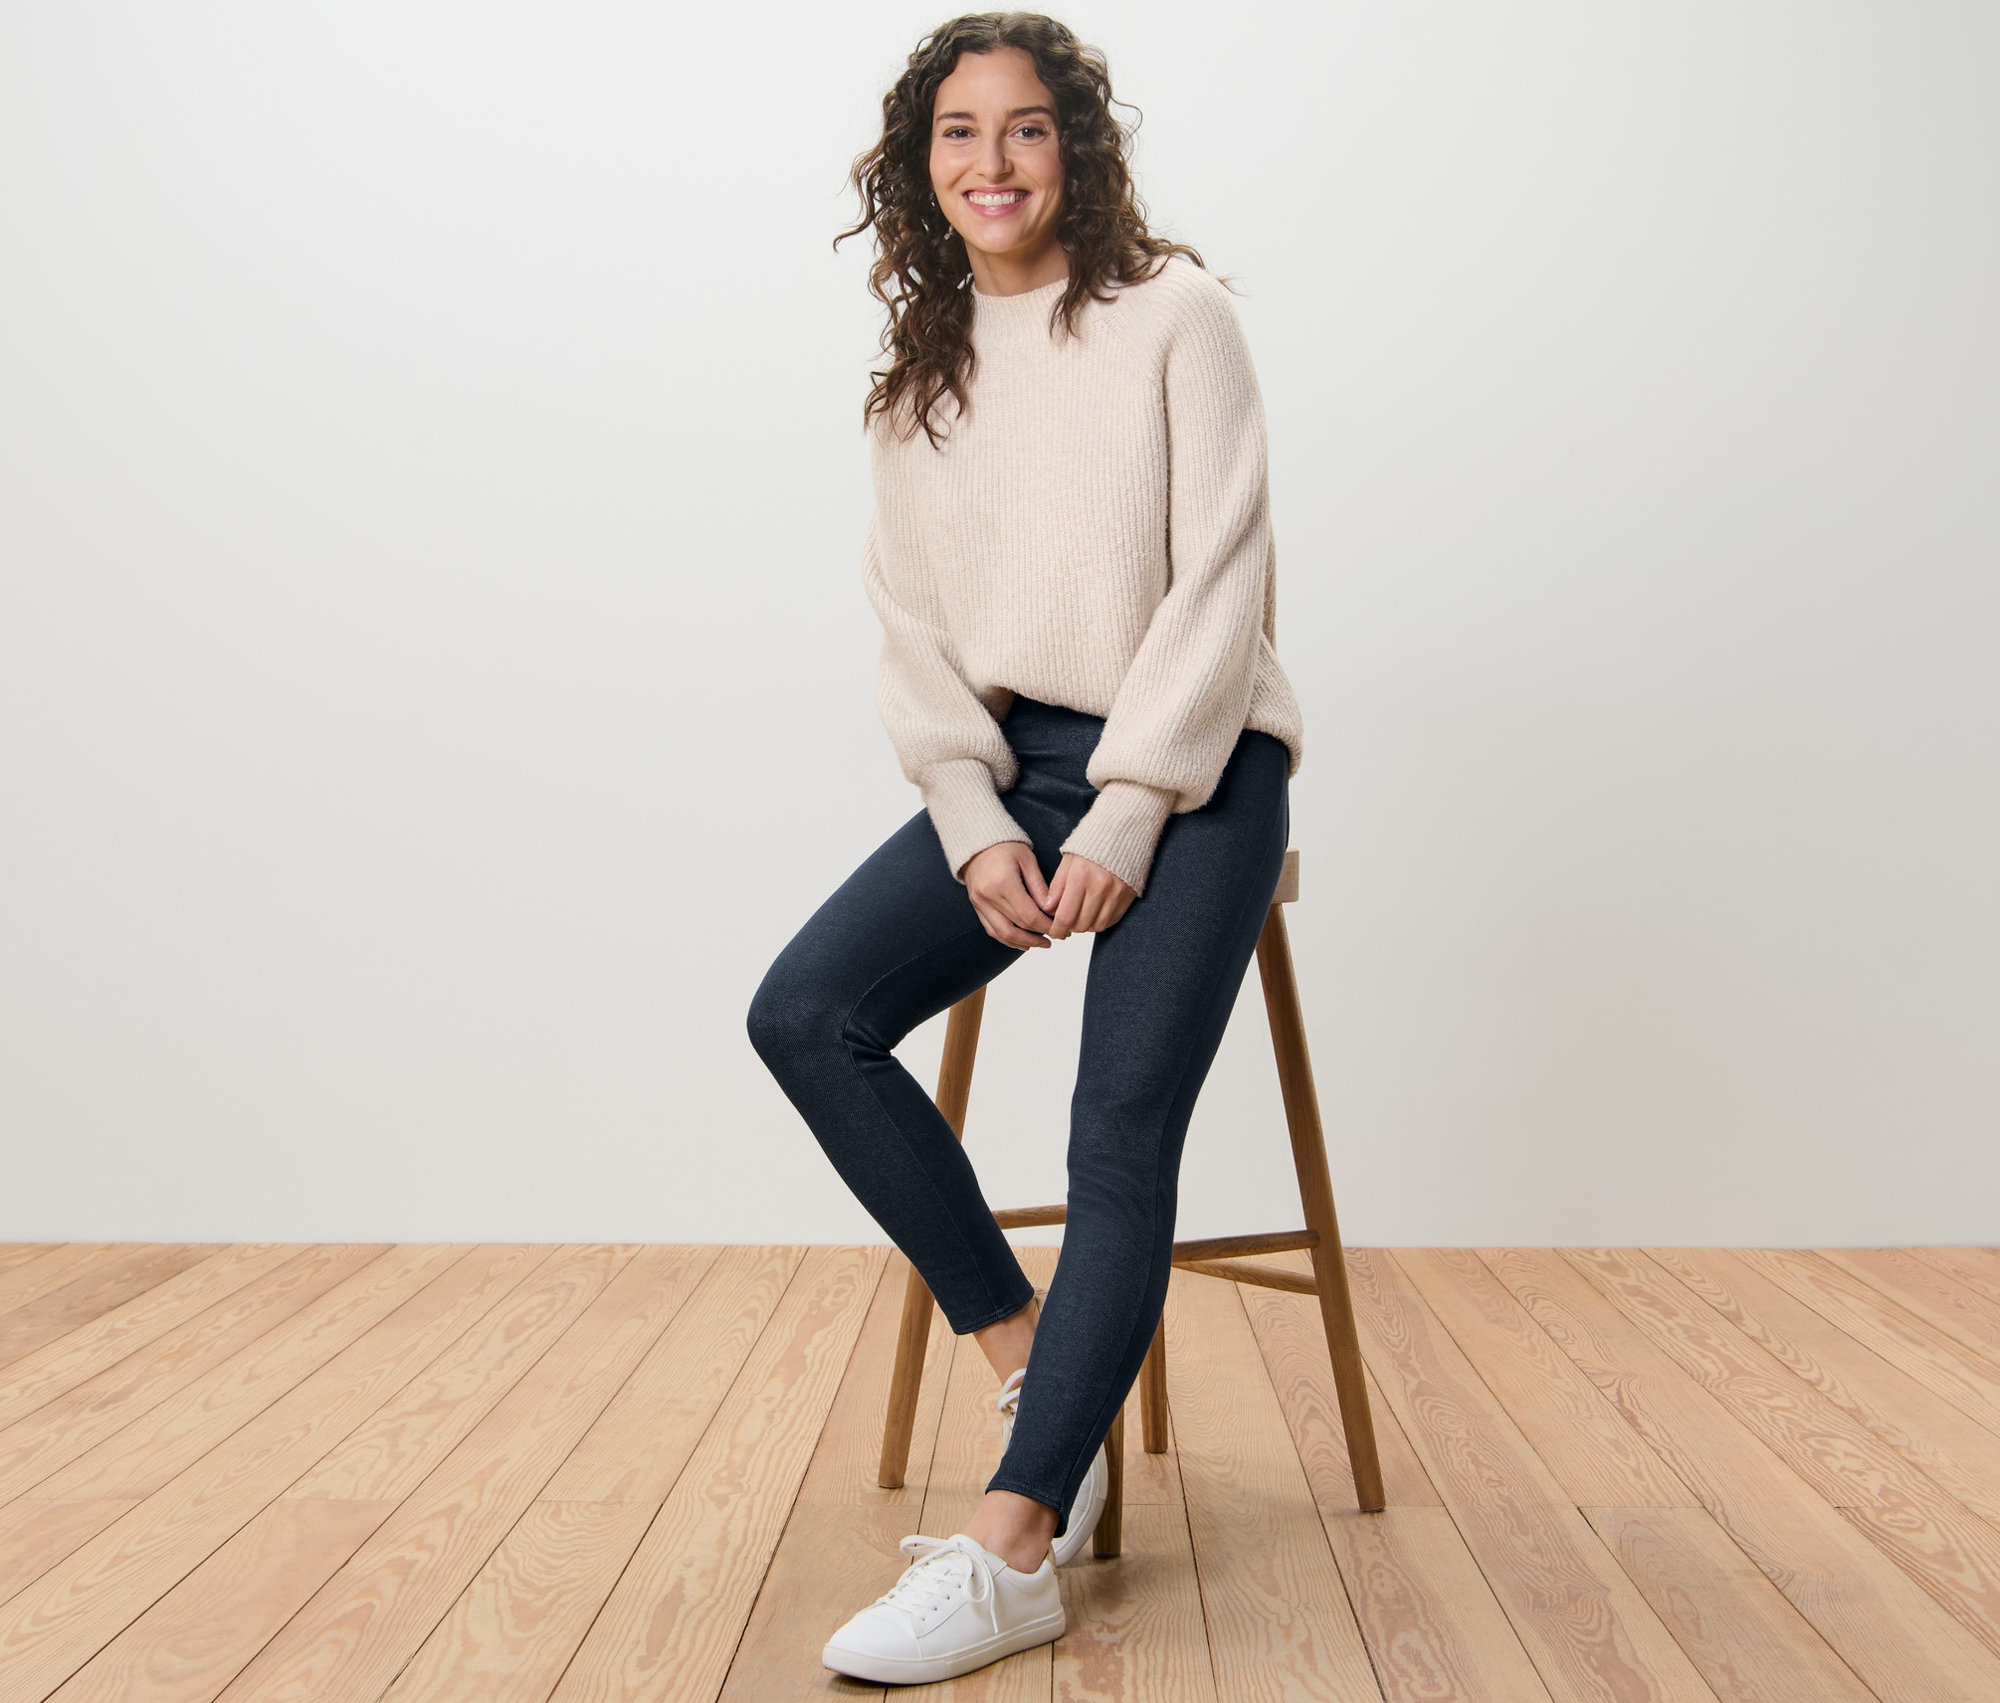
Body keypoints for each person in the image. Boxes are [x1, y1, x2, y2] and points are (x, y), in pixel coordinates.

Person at [746, 11, 1303, 1685]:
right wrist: (975, 818)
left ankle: (1011, 1547)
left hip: (1198, 759)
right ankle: (1024, 1338)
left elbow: (1223, 585)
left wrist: (1131, 804)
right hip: (1014, 762)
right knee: (805, 1016)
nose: (993, 165)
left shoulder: (1172, 320)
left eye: (1028, 131)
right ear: (920, 170)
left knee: (1115, 1124)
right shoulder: (916, 386)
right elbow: (913, 637)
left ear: (1080, 151)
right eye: (958, 136)